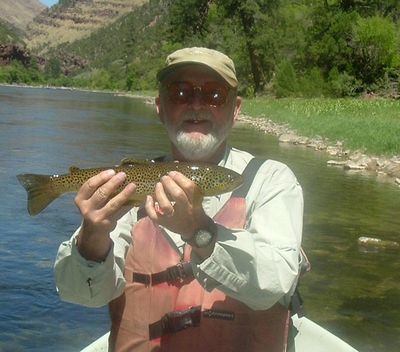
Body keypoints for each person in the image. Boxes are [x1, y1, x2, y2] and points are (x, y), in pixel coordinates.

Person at [54, 47, 304, 352]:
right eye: (180, 93)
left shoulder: (270, 181)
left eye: (214, 95)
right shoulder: (126, 187)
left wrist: (200, 232)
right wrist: (93, 236)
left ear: (236, 109)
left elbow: (275, 284)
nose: (197, 105)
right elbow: (81, 295)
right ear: (160, 106)